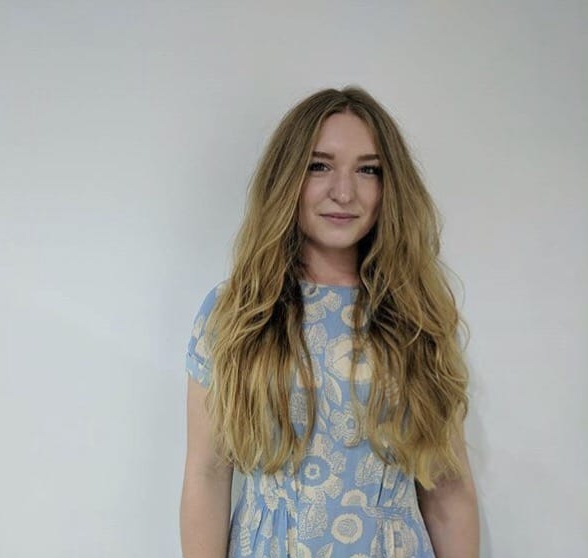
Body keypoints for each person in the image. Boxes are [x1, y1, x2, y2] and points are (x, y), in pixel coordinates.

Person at [179, 86, 480, 558]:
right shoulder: (235, 311)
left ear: (389, 186)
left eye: (368, 169)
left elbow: (447, 488)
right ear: (288, 179)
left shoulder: (418, 315)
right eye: (319, 166)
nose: (344, 191)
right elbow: (208, 474)